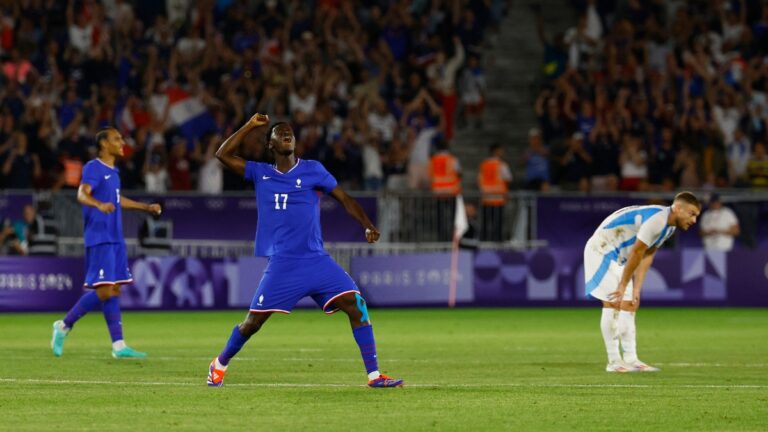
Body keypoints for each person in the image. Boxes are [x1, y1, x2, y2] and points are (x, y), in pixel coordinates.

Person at [207, 113, 403, 388]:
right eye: (280, 133)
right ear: (270, 145)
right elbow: (222, 154)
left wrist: (367, 225)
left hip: (316, 260)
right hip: (283, 264)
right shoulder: (260, 172)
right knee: (252, 323)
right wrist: (250, 125)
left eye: (290, 133)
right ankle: (219, 363)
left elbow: (344, 198)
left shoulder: (313, 170)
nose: (287, 135)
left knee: (356, 305)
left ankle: (374, 375)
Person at [51, 127, 162, 359]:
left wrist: (146, 207)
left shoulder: (115, 172)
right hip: (99, 236)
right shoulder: (93, 167)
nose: (122, 142)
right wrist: (98, 205)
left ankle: (119, 345)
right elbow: (81, 194)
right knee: (104, 291)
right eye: (117, 139)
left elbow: (119, 201)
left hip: (115, 237)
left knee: (115, 288)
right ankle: (63, 326)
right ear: (103, 145)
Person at [584, 192, 701, 372]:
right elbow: (637, 252)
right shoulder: (658, 220)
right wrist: (623, 285)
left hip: (618, 257)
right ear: (677, 208)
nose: (694, 220)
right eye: (691, 214)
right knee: (612, 303)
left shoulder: (669, 228)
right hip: (602, 249)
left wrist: (637, 288)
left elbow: (647, 255)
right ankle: (614, 362)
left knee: (630, 304)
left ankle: (631, 359)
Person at [477, 144, 512, 241]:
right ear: (495, 151)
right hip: (498, 199)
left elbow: (480, 179)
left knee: (485, 223)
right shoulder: (502, 165)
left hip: (486, 198)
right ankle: (497, 244)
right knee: (498, 224)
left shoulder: (484, 164)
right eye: (500, 151)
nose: (503, 153)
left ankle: (483, 243)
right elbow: (508, 178)